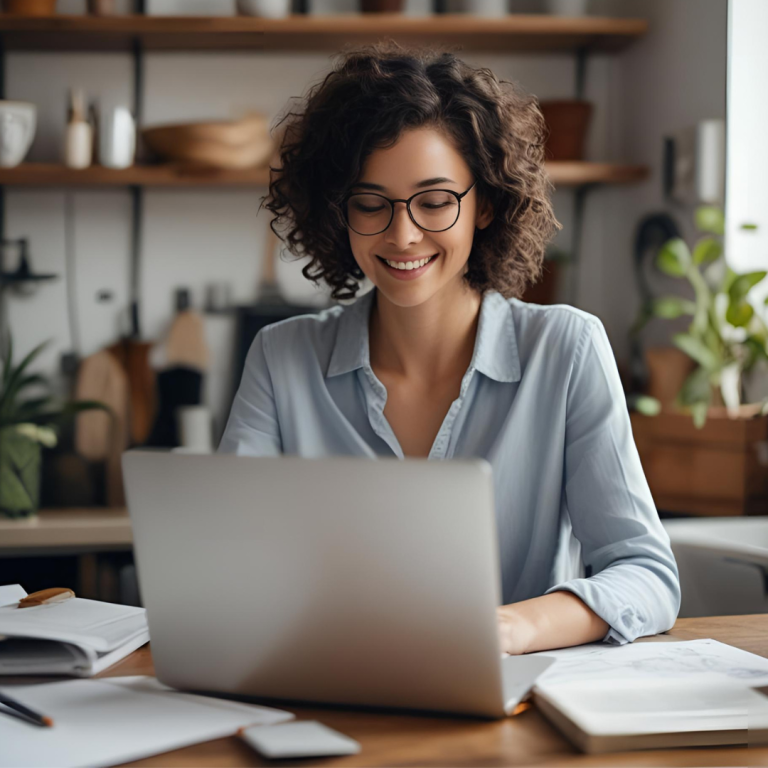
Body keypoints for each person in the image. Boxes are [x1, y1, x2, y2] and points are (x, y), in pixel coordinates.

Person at [218, 42, 680, 655]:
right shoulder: (281, 359)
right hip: (326, 682)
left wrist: (511, 627)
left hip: (507, 695)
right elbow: (226, 565)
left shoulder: (566, 350)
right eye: (370, 203)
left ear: (483, 203)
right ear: (339, 212)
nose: (403, 234)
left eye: (435, 202)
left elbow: (647, 575)